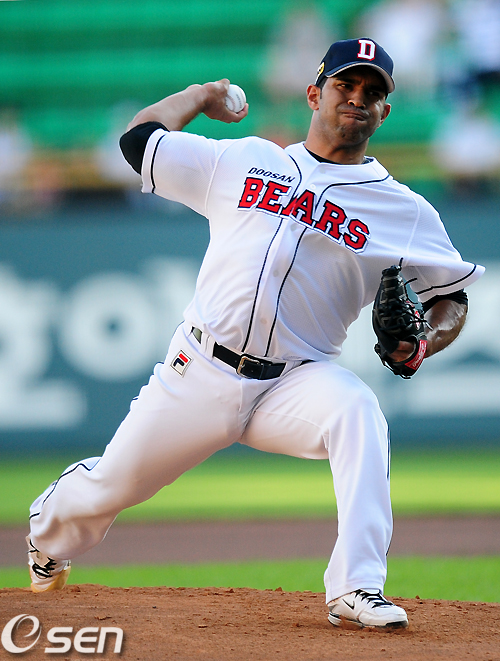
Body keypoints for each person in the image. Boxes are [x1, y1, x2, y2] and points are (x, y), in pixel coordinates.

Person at [26, 39, 484, 630]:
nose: (358, 98)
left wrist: (424, 341)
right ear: (315, 94)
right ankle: (48, 533)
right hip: (200, 372)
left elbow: (452, 298)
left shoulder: (405, 210)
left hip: (295, 382)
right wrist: (201, 95)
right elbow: (138, 142)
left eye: (373, 92)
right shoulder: (244, 160)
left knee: (358, 410)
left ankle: (357, 585)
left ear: (385, 112)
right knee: (109, 488)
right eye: (345, 85)